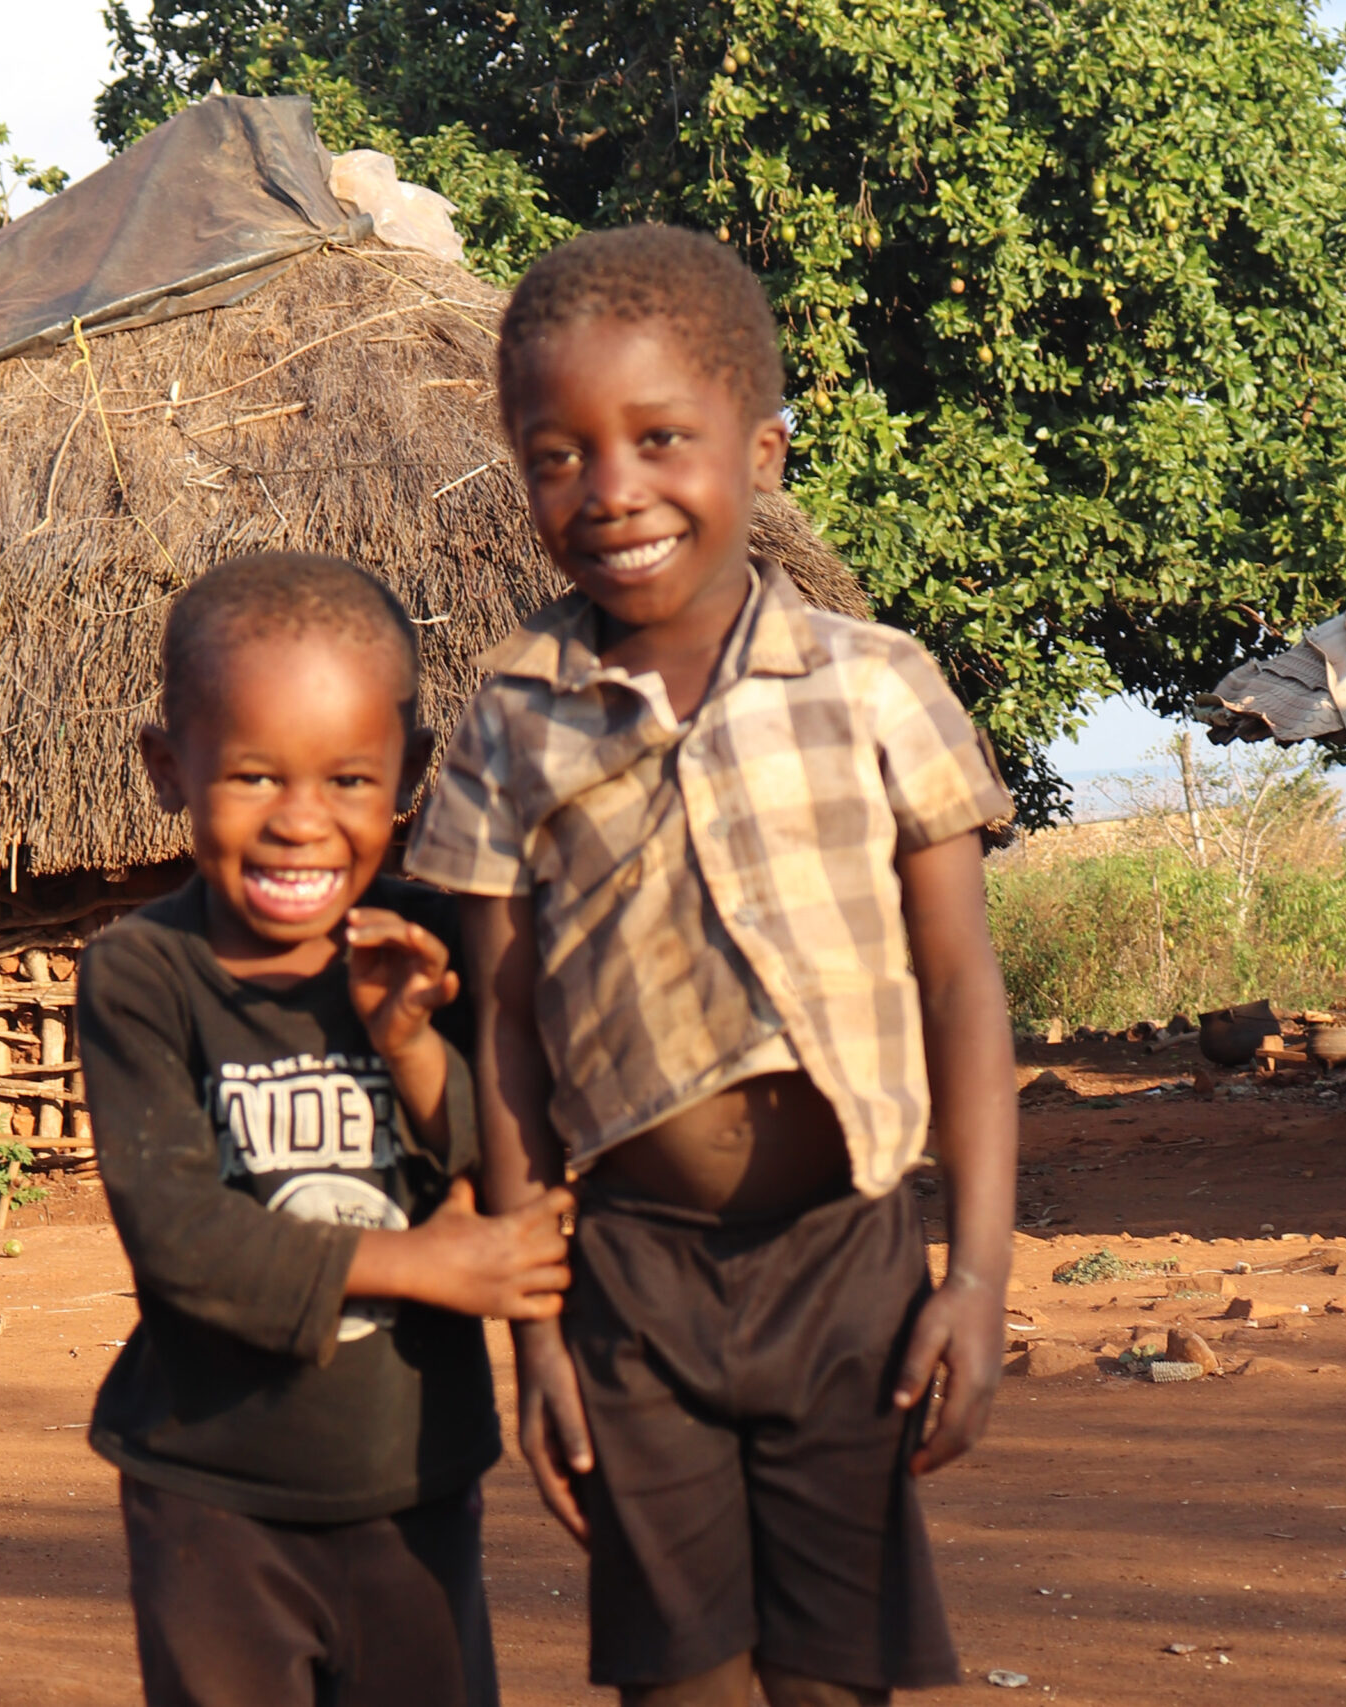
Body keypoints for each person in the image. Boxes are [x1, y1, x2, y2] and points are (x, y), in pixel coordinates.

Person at [408, 226, 1021, 1707]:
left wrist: (981, 1274)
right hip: (630, 1281)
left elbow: (959, 989)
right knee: (677, 1683)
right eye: (558, 454)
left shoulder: (876, 685)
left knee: (833, 1679)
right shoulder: (509, 718)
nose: (611, 490)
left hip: (851, 1264)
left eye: (659, 438)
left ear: (763, 446)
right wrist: (537, 1332)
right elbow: (505, 1037)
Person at [77, 550, 575, 1707]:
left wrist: (409, 1046)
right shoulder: (143, 976)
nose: (303, 824)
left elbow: (497, 1163)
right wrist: (424, 1266)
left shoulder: (431, 943)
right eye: (254, 777)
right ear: (168, 768)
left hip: (413, 1478)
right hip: (210, 1493)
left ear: (404, 774)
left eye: (349, 780)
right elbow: (182, 1236)